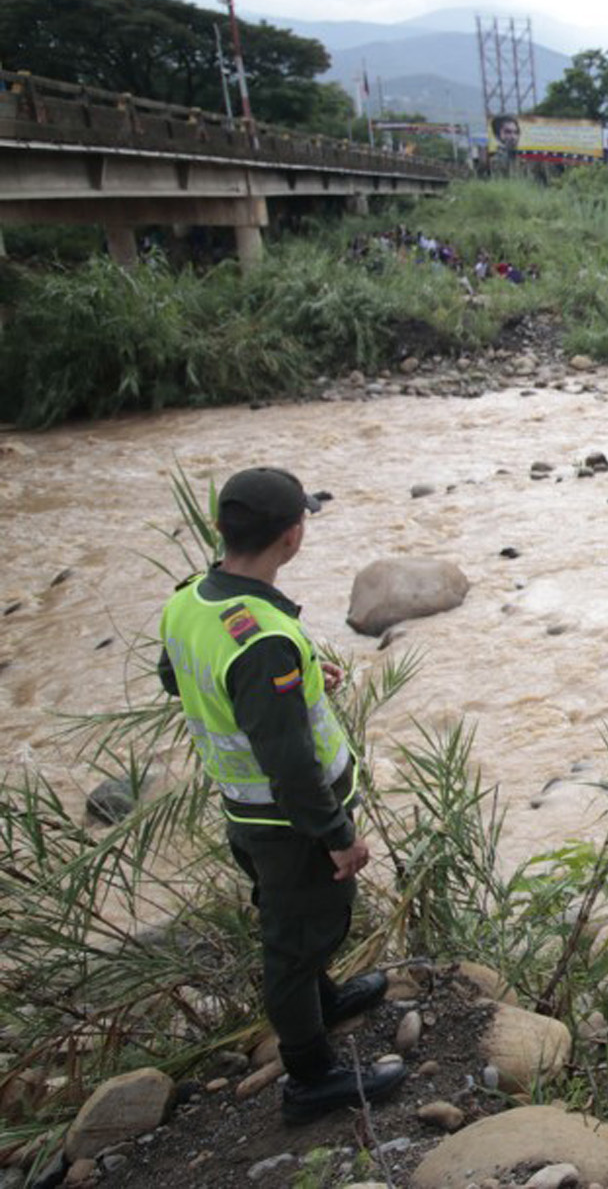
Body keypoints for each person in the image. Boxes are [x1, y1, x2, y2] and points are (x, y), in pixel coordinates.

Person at [157, 469, 406, 1127]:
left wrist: (291, 686)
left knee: (296, 922)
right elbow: (291, 763)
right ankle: (310, 1074)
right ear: (293, 537)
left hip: (250, 815)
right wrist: (337, 836)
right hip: (290, 822)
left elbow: (175, 675)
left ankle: (321, 1001)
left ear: (221, 528)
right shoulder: (263, 639)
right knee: (297, 938)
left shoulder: (190, 600)